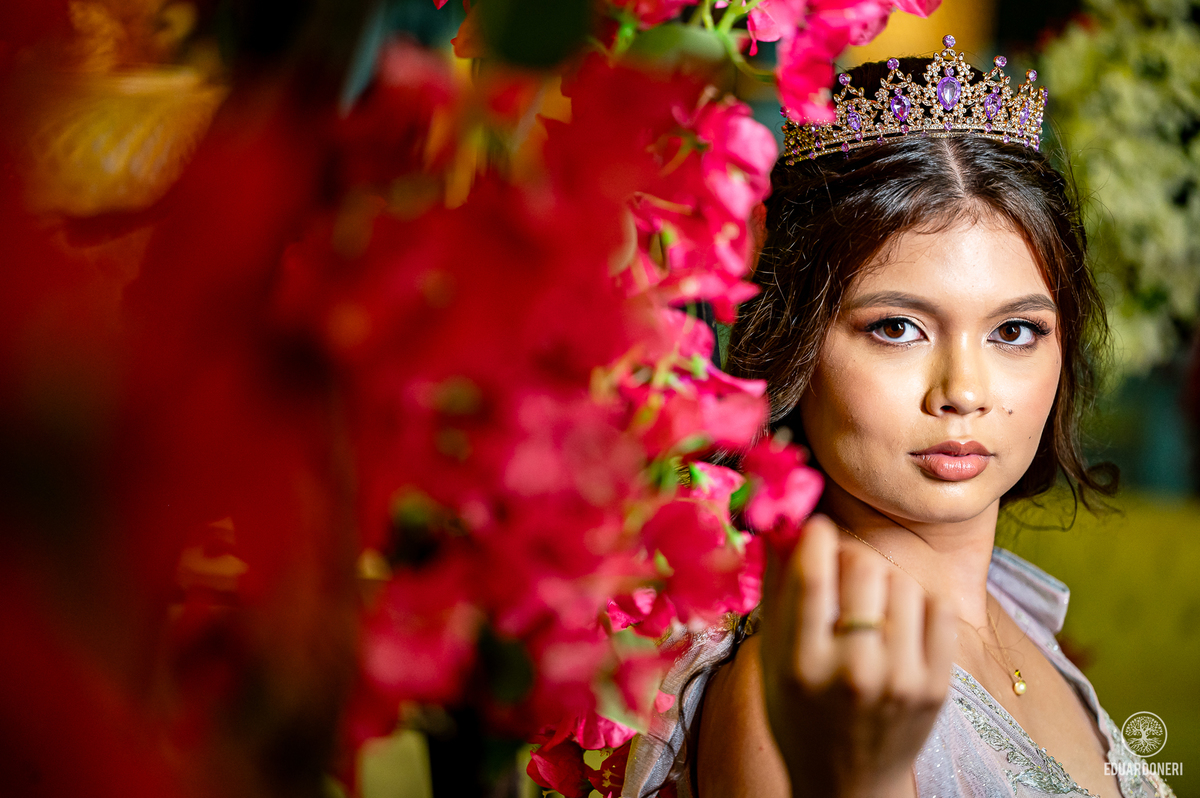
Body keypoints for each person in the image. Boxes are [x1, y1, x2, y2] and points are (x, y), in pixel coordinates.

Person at [621, 37, 1178, 798]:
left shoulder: (1020, 616)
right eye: (897, 327)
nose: (964, 390)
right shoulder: (799, 688)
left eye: (1015, 331)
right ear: (796, 341)